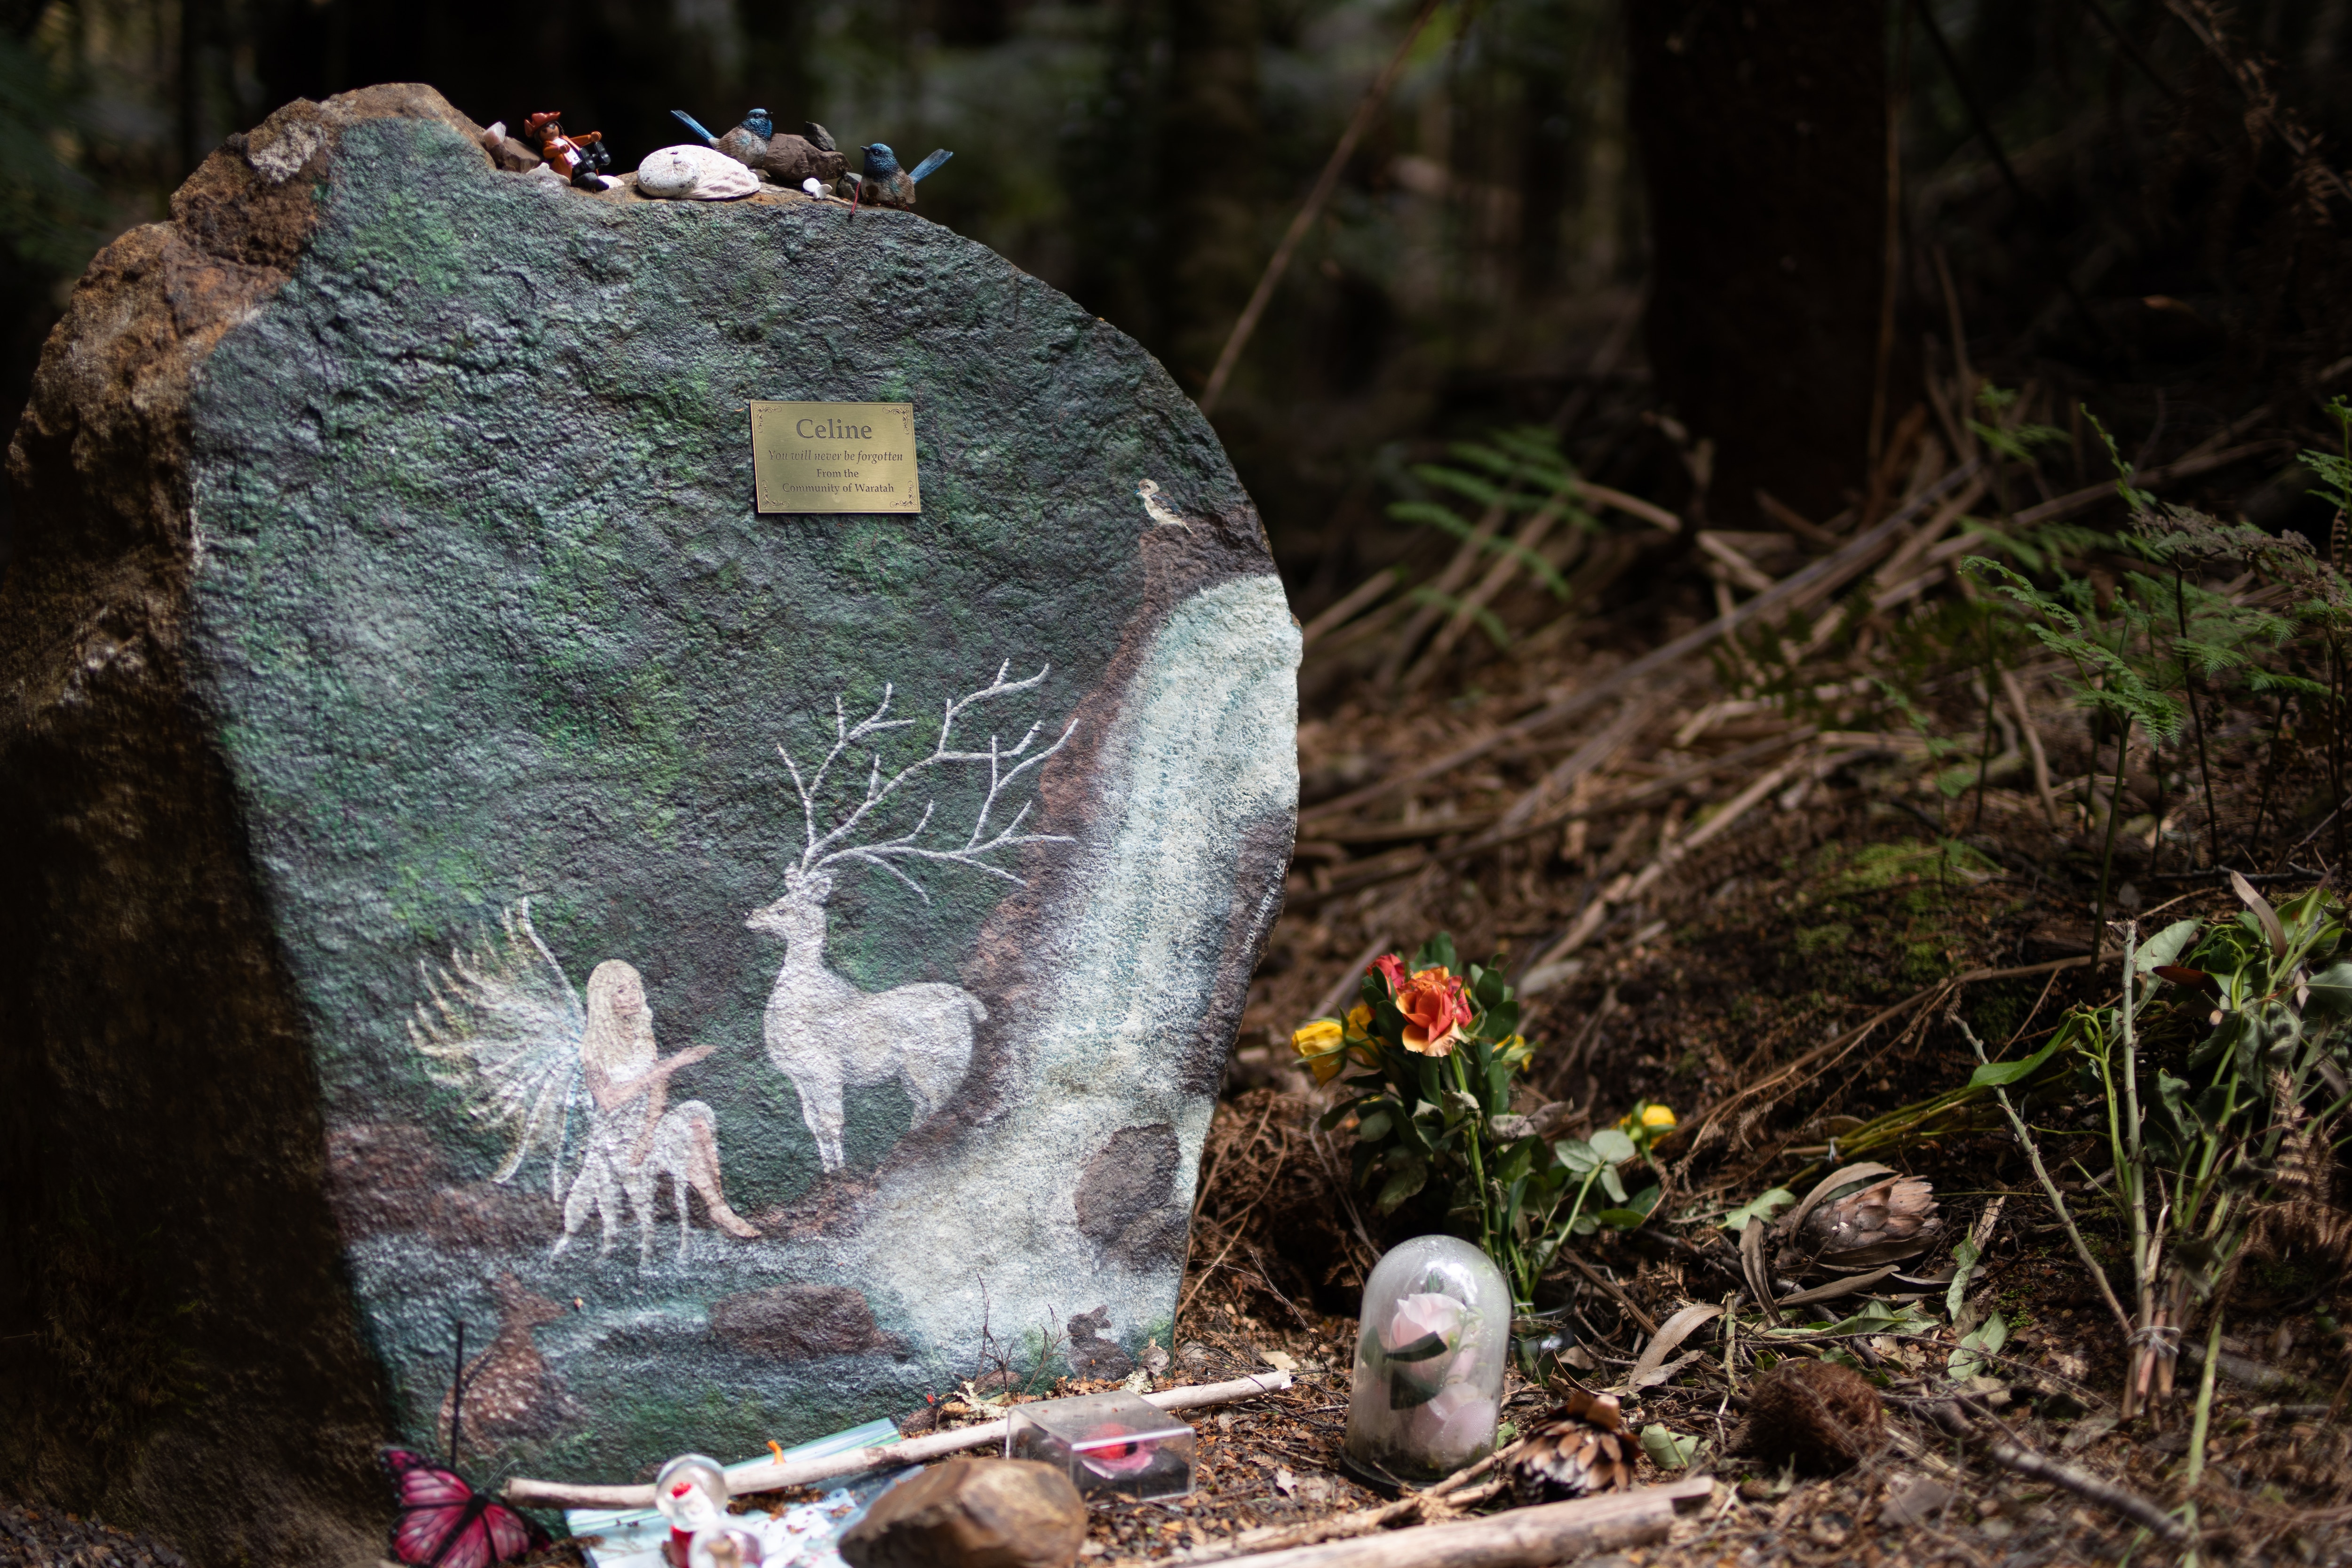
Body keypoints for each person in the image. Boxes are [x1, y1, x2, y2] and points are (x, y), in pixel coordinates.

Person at [557, 960, 760, 1260]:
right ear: (604, 1000)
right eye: (621, 991)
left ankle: (719, 1207)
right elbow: (609, 1101)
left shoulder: (642, 1033)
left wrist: (650, 1132)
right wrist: (672, 1064)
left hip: (647, 1128)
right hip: (615, 1137)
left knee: (697, 1121)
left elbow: (658, 1088)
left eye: (636, 987)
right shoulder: (592, 1048)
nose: (633, 996)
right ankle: (713, 1210)